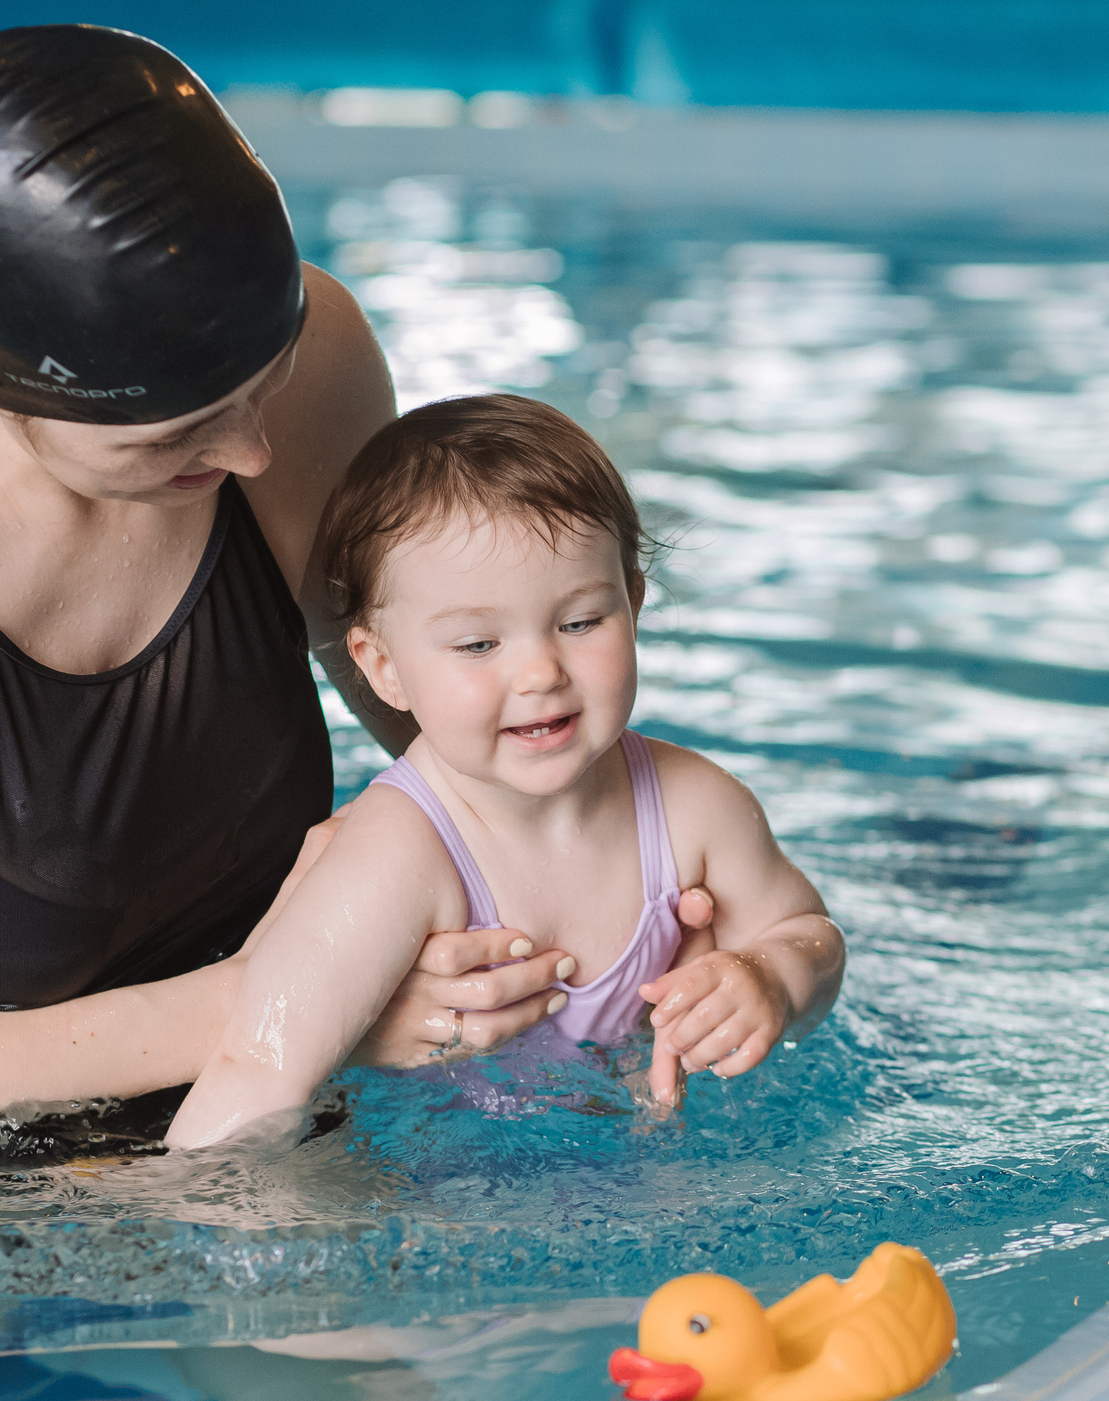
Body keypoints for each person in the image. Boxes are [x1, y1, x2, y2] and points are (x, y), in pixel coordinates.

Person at [0, 27, 605, 1136]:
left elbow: (484, 744)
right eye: (180, 437)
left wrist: (684, 911)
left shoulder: (312, 374)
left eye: (266, 383)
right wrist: (298, 1001)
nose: (258, 454)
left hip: (262, 1088)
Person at [165, 395, 847, 1150]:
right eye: (477, 645)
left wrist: (772, 978)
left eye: (580, 622)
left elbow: (808, 933)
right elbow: (261, 1066)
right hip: (428, 1185)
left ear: (635, 601)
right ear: (384, 668)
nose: (540, 672)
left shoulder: (695, 808)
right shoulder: (398, 852)